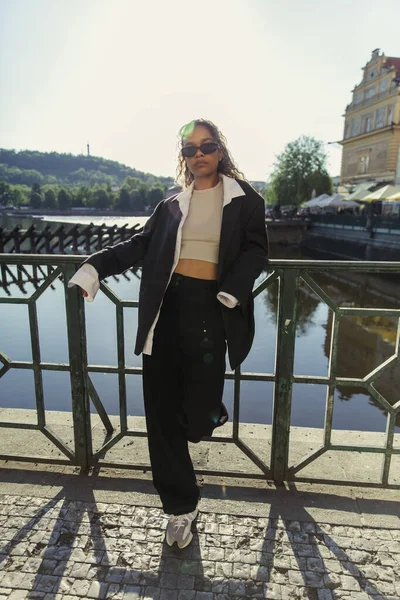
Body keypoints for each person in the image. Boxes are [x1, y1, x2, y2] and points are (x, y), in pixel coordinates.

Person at [68, 118, 269, 549]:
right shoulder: (172, 203)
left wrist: (233, 291)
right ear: (184, 158)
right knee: (161, 418)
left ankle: (208, 414)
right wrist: (94, 267)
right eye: (190, 149)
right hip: (164, 308)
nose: (199, 155)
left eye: (207, 146)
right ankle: (180, 509)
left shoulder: (245, 200)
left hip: (211, 309)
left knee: (197, 416)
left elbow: (256, 250)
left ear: (220, 150)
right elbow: (140, 245)